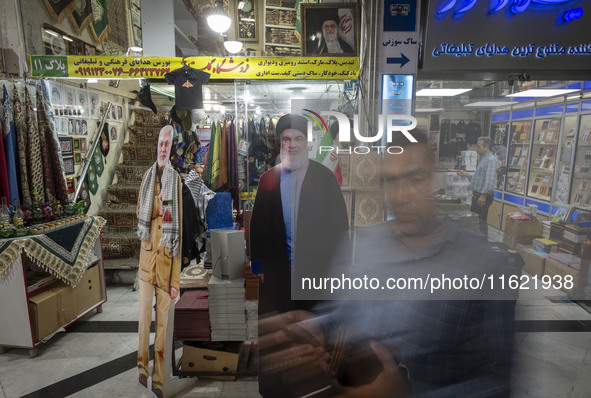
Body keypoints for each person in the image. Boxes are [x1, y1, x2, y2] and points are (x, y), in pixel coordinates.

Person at [258, 131, 522, 397]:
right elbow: (349, 310)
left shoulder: (484, 267)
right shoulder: (369, 244)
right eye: (391, 181)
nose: (401, 196)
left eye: (415, 179)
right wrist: (319, 326)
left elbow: (500, 383)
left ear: (433, 180)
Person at [250, 113, 349, 316]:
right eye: (287, 139)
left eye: (298, 139)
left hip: (317, 272)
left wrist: (341, 269)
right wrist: (258, 266)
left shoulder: (325, 178)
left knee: (314, 334)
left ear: (306, 142)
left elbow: (340, 227)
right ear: (280, 143)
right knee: (283, 330)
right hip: (279, 272)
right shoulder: (268, 180)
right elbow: (258, 225)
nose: (292, 144)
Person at [136, 125, 182, 398]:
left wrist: (176, 280)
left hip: (166, 261)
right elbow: (140, 217)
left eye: (167, 144)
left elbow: (178, 228)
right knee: (144, 319)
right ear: (156, 145)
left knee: (163, 326)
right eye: (160, 143)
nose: (163, 148)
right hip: (146, 258)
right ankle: (142, 366)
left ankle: (159, 381)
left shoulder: (175, 180)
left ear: (172, 147)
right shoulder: (146, 177)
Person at [457, 136, 499, 237]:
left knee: (479, 222)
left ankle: (481, 244)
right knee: (477, 221)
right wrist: (467, 174)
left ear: (486, 147)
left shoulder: (490, 160)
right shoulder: (483, 159)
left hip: (482, 196)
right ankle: (478, 243)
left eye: (478, 146)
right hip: (478, 195)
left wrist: (483, 196)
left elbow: (489, 180)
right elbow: (480, 178)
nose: (476, 148)